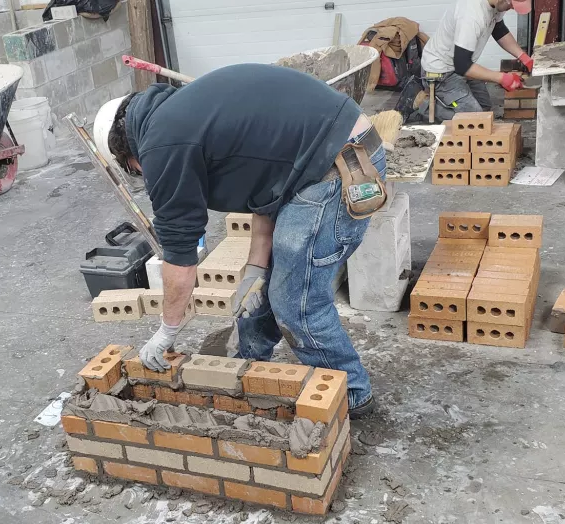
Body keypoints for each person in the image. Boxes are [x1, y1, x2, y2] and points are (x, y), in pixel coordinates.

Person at [92, 63, 386, 419]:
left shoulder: (163, 144)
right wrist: (255, 270)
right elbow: (266, 185)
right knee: (263, 289)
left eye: (135, 171)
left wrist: (167, 332)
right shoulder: (184, 113)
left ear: (129, 156)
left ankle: (353, 394)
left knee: (296, 299)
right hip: (323, 156)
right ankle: (246, 365)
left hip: (339, 166)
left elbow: (180, 257)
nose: (142, 175)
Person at [407, 0, 533, 122]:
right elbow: (462, 65)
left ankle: (454, 102)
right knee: (474, 118)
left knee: (485, 107)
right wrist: (502, 78)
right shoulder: (471, 15)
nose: (511, 8)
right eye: (511, 4)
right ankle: (424, 105)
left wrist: (523, 56)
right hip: (440, 71)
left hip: (460, 65)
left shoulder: (497, 5)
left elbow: (499, 30)